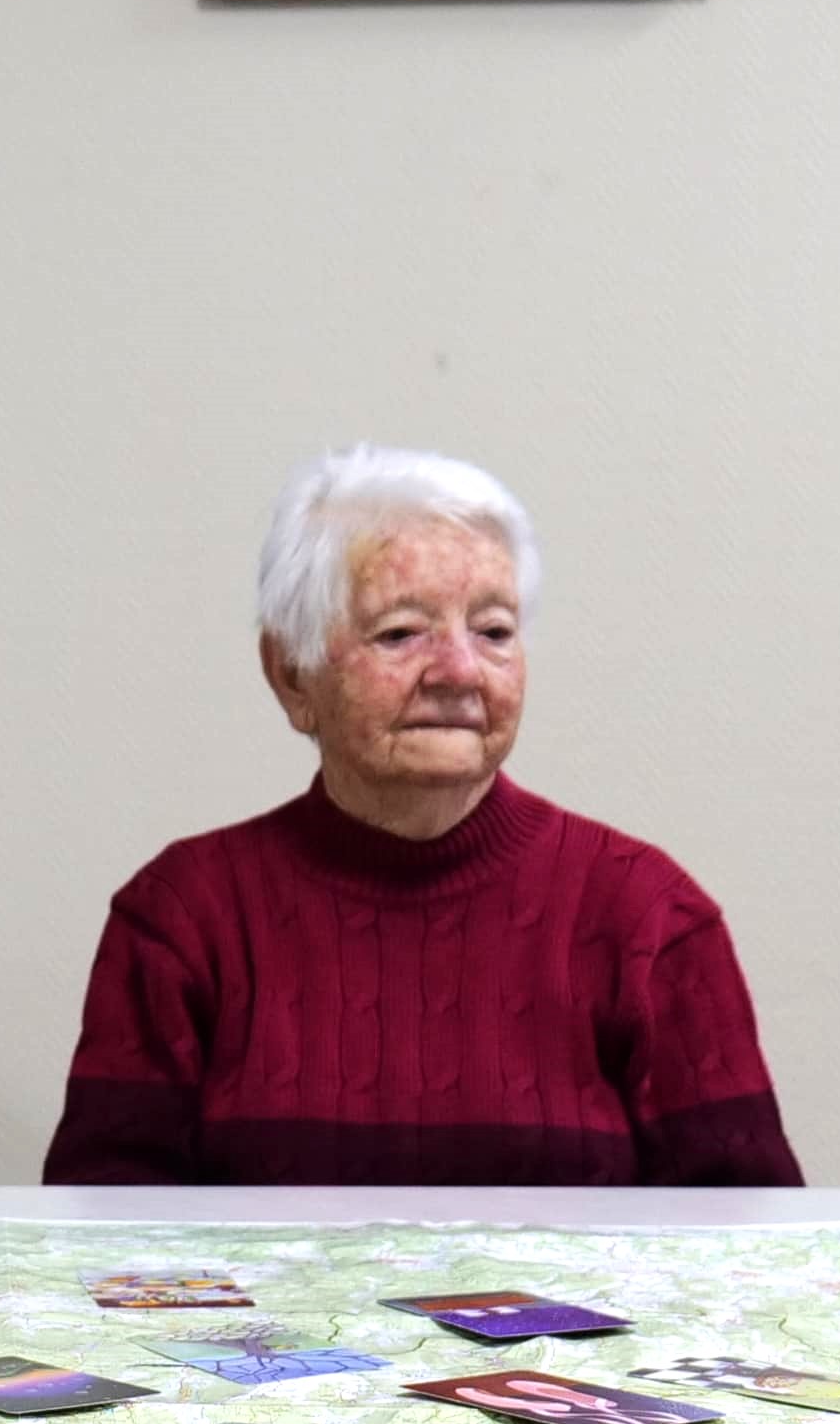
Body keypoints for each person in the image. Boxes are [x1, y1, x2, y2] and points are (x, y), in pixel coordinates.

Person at [46, 448, 796, 1184]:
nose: (461, 672)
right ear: (291, 673)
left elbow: (751, 1257)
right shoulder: (184, 917)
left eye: (494, 631)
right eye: (402, 633)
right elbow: (102, 1252)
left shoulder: (649, 916)